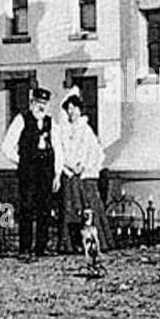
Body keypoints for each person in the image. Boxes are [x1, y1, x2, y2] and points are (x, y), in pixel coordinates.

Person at [1, 87, 58, 260]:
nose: (42, 107)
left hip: (46, 170)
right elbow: (6, 147)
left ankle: (41, 247)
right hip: (29, 170)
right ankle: (24, 248)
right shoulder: (21, 120)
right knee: (27, 207)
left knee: (44, 208)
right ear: (32, 103)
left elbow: (58, 148)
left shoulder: (50, 122)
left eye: (45, 104)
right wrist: (22, 161)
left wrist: (57, 173)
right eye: (39, 103)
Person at [54, 88, 113, 254]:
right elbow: (60, 151)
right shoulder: (63, 130)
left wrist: (84, 166)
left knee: (89, 208)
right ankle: (70, 244)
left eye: (74, 108)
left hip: (84, 175)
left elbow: (95, 152)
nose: (71, 112)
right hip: (69, 174)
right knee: (70, 209)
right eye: (69, 109)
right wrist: (68, 166)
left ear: (80, 110)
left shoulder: (86, 130)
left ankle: (93, 243)